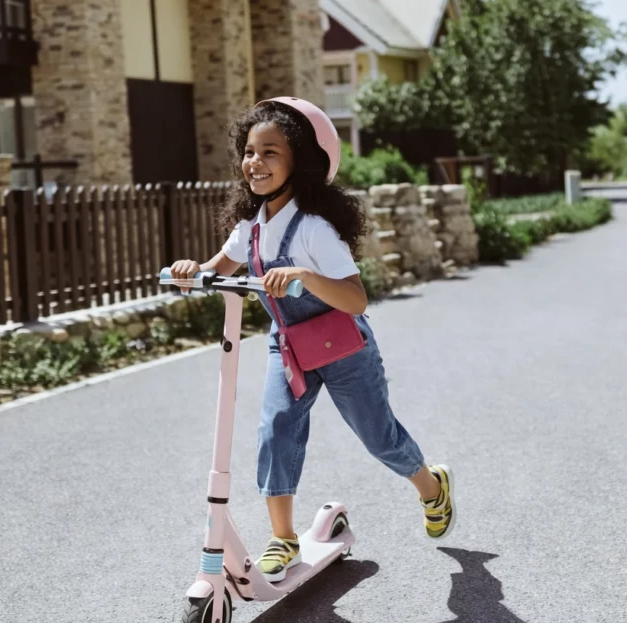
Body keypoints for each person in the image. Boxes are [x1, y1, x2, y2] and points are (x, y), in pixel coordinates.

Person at [170, 97, 454, 583]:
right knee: (276, 428)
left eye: (271, 153)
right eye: (250, 151)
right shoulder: (250, 227)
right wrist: (192, 271)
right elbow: (218, 267)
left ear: (299, 161)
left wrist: (305, 275)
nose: (255, 162)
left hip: (344, 346)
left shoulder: (315, 229)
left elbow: (355, 298)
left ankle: (431, 486)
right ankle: (283, 537)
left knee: (378, 436)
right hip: (290, 345)